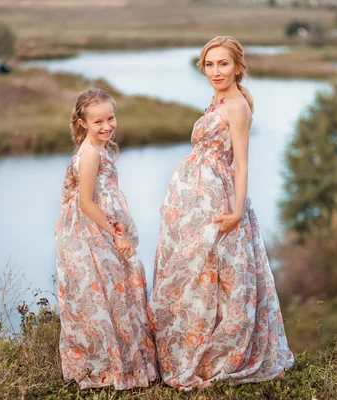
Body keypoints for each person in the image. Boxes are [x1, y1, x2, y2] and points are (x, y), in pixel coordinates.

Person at [148, 36, 294, 390]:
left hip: (220, 202)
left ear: (238, 67)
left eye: (223, 64)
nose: (216, 71)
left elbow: (241, 164)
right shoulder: (217, 99)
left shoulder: (237, 107)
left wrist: (236, 212)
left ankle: (216, 355)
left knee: (217, 273)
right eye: (209, 64)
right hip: (196, 202)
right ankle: (189, 345)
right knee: (195, 273)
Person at [55, 88, 157, 390]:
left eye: (110, 118)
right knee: (104, 295)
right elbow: (86, 202)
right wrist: (117, 233)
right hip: (93, 233)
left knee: (117, 292)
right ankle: (107, 367)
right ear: (83, 122)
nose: (106, 126)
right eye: (98, 121)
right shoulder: (89, 155)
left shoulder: (98, 149)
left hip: (100, 228)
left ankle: (125, 364)